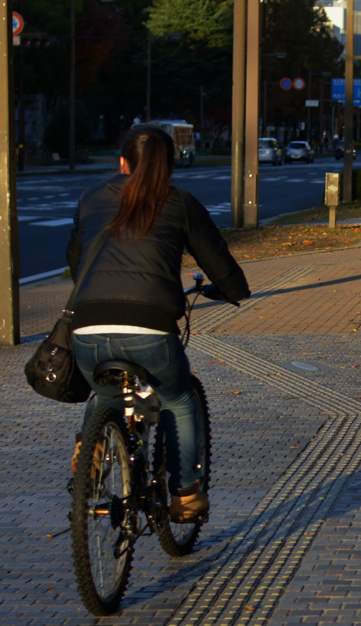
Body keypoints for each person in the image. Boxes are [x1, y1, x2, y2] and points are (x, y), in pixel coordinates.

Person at [66, 126, 250, 524]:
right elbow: (221, 265)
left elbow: (75, 261)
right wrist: (231, 290)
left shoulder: (91, 197)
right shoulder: (179, 201)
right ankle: (185, 495)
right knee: (178, 399)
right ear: (168, 166)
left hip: (87, 327)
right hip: (150, 327)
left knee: (105, 391)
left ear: (121, 162)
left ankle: (92, 455)